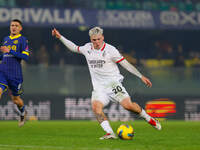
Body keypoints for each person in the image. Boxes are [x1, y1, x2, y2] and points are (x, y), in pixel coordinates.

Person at [52, 27, 161, 139]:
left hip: (113, 84)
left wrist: (140, 76)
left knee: (128, 106)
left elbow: (125, 64)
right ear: (91, 39)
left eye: (99, 39)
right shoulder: (87, 48)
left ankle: (148, 118)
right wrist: (60, 37)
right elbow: (74, 47)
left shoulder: (111, 50)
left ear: (102, 37)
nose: (97, 42)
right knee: (96, 108)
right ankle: (110, 133)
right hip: (99, 88)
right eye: (94, 40)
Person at [0, 19, 29, 127]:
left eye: (16, 25)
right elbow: (4, 56)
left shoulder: (23, 40)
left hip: (15, 75)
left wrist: (10, 51)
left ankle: (22, 112)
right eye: (12, 25)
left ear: (20, 28)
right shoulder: (6, 39)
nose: (14, 27)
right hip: (2, 72)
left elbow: (25, 56)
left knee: (16, 100)